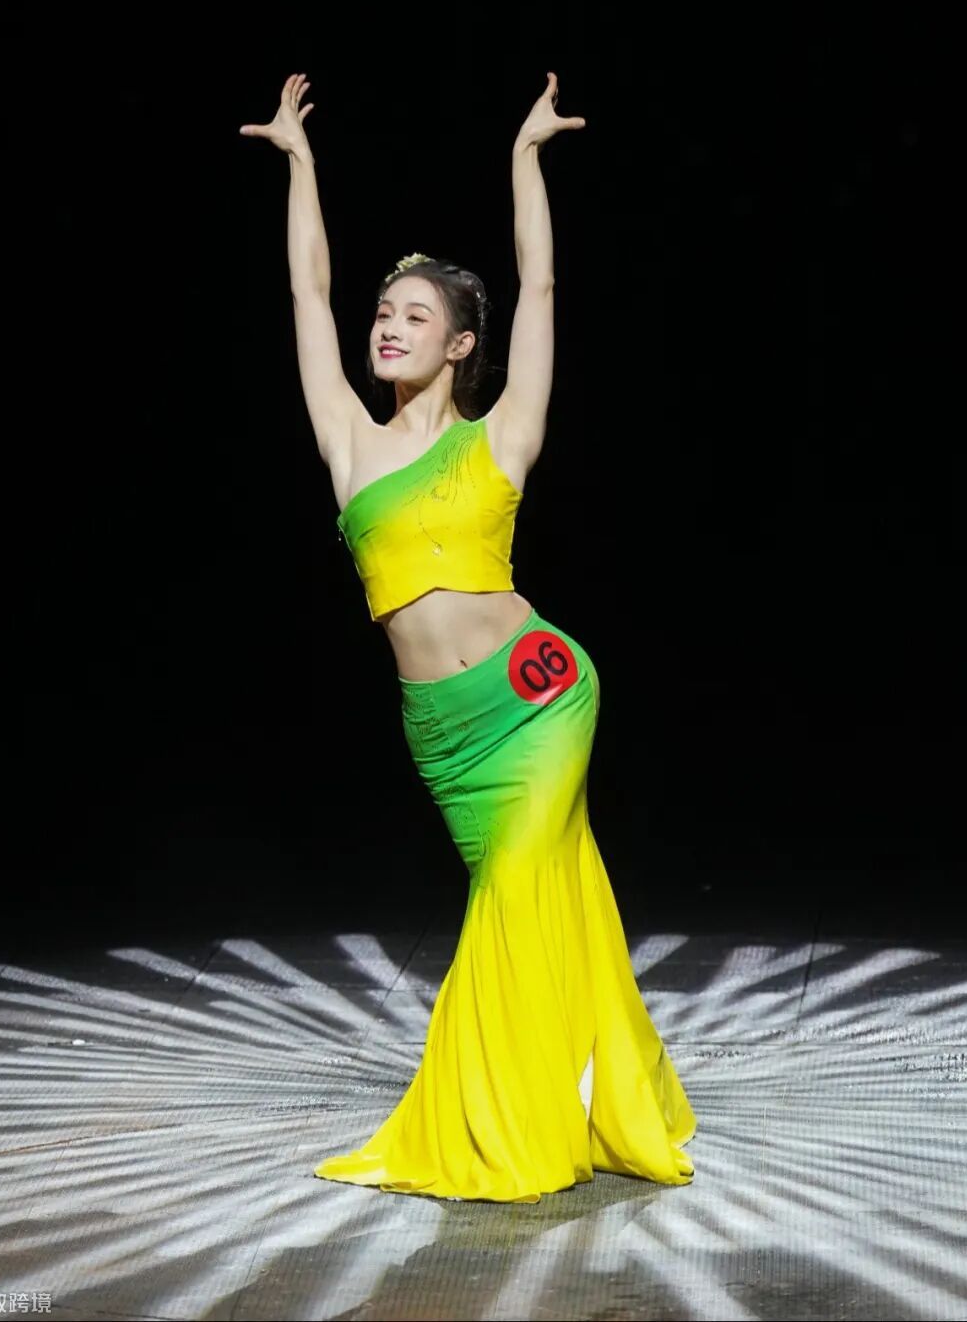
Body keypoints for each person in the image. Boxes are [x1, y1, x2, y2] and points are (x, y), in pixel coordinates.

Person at [240, 71, 696, 1203]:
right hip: (445, 736)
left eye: (413, 316)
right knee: (533, 901)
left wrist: (525, 159)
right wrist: (300, 164)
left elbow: (540, 283)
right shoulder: (349, 442)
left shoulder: (502, 437)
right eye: (383, 313)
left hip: (540, 699)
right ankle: (574, 1094)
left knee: (509, 900)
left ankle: (494, 1124)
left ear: (459, 346)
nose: (387, 326)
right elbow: (307, 292)